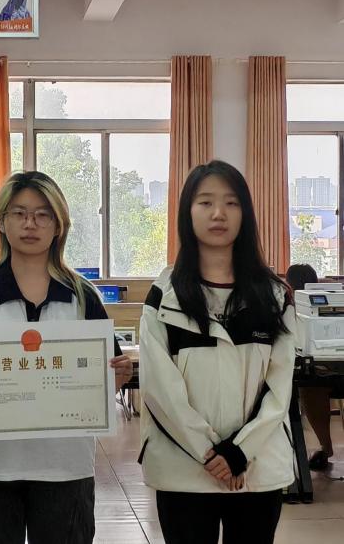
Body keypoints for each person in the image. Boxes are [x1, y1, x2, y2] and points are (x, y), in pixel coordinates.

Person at [0, 171, 133, 544]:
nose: (30, 224)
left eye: (42, 215)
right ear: (1, 222)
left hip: (65, 468)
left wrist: (116, 376)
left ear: (59, 225)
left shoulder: (83, 296)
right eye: (19, 213)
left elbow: (107, 375)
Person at [140, 161, 296, 544]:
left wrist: (239, 452)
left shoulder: (274, 296)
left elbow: (279, 388)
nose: (218, 213)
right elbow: (160, 389)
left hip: (257, 467)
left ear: (246, 213)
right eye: (205, 202)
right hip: (184, 471)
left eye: (231, 202)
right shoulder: (164, 296)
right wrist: (210, 454)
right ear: (187, 213)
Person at [288, 263, 341, 471]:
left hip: (317, 374)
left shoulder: (294, 305)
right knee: (311, 386)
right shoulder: (328, 296)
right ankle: (324, 448)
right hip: (329, 370)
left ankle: (325, 448)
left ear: (289, 284)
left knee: (309, 388)